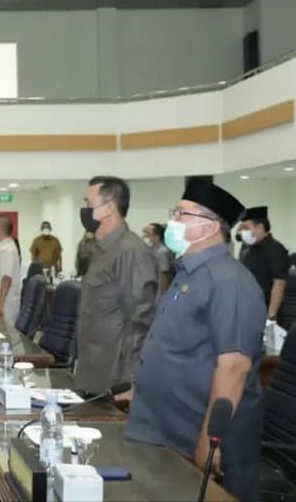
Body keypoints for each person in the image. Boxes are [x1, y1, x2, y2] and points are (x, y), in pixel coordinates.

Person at [124, 180, 264, 501]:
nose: (172, 221)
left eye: (181, 214)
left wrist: (208, 441)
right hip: (163, 429)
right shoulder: (188, 273)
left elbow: (234, 366)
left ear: (210, 227)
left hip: (194, 436)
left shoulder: (229, 281)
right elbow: (176, 345)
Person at [75, 176, 157, 396]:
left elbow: (140, 321)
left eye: (89, 203)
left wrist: (130, 382)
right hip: (92, 371)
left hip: (114, 381)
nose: (84, 209)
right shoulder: (102, 249)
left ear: (109, 208)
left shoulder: (131, 251)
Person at [238, 206, 289, 326]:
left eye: (246, 228)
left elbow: (279, 284)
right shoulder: (247, 248)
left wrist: (271, 318)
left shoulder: (275, 249)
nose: (242, 232)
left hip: (265, 313)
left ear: (260, 227)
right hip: (247, 310)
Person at [142, 222, 174, 294]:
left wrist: (163, 295)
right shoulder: (151, 248)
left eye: (148, 233)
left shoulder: (162, 251)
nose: (145, 236)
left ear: (157, 236)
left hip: (159, 290)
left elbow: (164, 275)